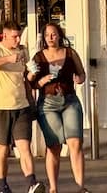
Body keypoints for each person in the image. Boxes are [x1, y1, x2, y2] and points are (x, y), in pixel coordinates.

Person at [0, 20, 41, 193]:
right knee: (2, 149)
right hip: (0, 107)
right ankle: (3, 186)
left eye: (19, 36)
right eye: (14, 37)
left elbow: (26, 77)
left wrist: (32, 74)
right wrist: (8, 58)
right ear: (5, 35)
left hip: (21, 105)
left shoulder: (23, 50)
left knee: (24, 147)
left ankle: (32, 183)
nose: (17, 40)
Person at [31, 21, 86, 193]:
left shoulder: (70, 53)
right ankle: (53, 188)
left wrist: (79, 79)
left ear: (60, 35)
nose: (50, 38)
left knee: (75, 143)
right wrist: (41, 81)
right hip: (48, 103)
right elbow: (31, 82)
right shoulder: (38, 57)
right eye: (47, 35)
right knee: (54, 146)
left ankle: (80, 187)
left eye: (53, 34)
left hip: (69, 100)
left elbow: (82, 73)